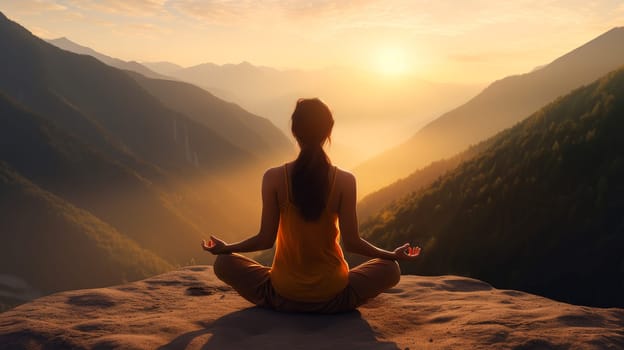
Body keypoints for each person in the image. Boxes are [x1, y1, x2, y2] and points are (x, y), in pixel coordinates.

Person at [201, 98, 421, 313]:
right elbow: (352, 243)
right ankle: (333, 303)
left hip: (282, 292)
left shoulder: (274, 178)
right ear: (328, 132)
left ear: (295, 132)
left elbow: (265, 239)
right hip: (333, 293)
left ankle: (280, 302)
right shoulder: (345, 181)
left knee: (223, 264)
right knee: (391, 269)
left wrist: (226, 248)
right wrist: (392, 255)